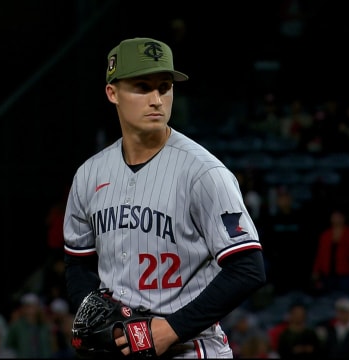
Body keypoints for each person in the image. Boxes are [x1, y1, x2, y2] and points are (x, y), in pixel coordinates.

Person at [62, 37, 266, 358]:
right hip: (125, 348)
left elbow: (248, 269)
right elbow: (78, 261)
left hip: (191, 347)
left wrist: (171, 329)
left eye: (165, 86)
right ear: (112, 93)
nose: (157, 99)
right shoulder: (89, 174)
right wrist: (96, 314)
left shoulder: (204, 173)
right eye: (142, 87)